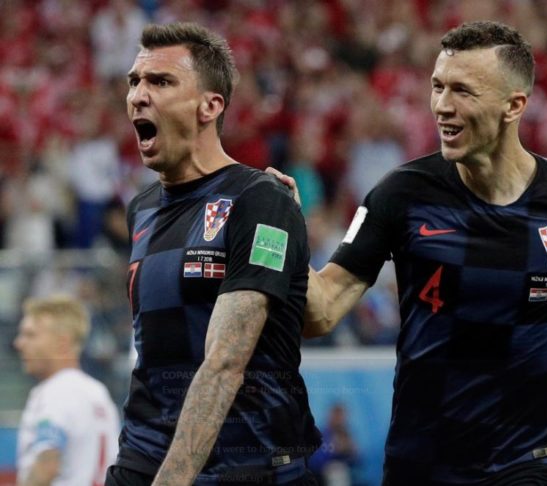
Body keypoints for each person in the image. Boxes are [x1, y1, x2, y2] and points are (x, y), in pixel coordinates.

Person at [272, 20, 547, 485]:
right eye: (437, 86)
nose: (442, 105)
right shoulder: (401, 195)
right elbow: (320, 313)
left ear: (513, 105)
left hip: (532, 456)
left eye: (462, 91)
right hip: (423, 459)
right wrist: (288, 234)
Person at [107, 22, 320, 486]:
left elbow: (225, 364)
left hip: (245, 466)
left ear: (210, 105)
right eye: (134, 81)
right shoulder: (142, 209)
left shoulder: (260, 200)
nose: (138, 96)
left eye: (161, 81)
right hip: (142, 456)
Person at [14, 296, 120, 486]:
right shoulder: (98, 392)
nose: (19, 343)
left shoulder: (56, 392)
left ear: (62, 343)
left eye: (30, 335)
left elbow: (46, 466)